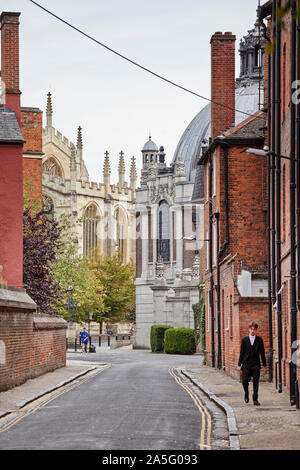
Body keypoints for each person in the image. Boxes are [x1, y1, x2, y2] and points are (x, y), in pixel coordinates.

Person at [238, 321, 268, 406]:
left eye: (254, 329)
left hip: (256, 364)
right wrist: (239, 364)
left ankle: (255, 399)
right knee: (244, 381)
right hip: (246, 364)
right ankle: (246, 393)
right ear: (249, 329)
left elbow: (262, 353)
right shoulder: (244, 340)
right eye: (251, 329)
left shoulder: (259, 340)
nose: (252, 331)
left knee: (256, 381)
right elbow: (241, 353)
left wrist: (265, 366)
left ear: (256, 330)